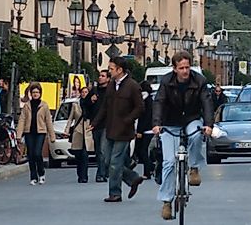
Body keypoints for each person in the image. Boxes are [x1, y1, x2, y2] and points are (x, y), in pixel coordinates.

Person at [152, 51, 214, 220]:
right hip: (169, 122)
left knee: (195, 135)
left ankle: (194, 167)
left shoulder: (199, 81)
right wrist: (156, 124)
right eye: (181, 68)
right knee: (169, 163)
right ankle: (166, 202)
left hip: (191, 118)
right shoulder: (166, 82)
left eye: (187, 67)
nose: (185, 71)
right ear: (174, 69)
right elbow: (159, 102)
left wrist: (208, 125)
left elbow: (207, 102)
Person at [90, 57, 144, 203]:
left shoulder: (133, 86)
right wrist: (95, 122)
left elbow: (140, 108)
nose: (109, 71)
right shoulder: (111, 85)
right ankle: (132, 178)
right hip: (110, 128)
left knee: (115, 161)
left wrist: (128, 120)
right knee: (106, 159)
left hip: (124, 131)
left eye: (111, 69)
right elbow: (105, 107)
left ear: (120, 70)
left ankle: (115, 193)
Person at [15, 82, 55, 185]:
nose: (35, 94)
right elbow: (22, 120)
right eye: (33, 92)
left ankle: (41, 174)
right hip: (29, 132)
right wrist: (18, 135)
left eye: (37, 92)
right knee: (31, 155)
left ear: (40, 93)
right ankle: (33, 177)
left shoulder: (44, 105)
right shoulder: (26, 106)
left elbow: (48, 121)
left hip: (40, 132)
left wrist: (52, 136)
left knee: (37, 153)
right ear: (31, 93)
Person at [65, 86, 94, 183]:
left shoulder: (91, 104)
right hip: (77, 132)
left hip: (87, 131)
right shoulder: (75, 105)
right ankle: (79, 174)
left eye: (86, 92)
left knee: (85, 155)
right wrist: (67, 129)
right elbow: (70, 118)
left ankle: (84, 176)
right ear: (80, 93)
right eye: (83, 92)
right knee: (78, 156)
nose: (84, 94)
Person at [87, 69, 111, 182]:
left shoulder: (111, 91)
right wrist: (90, 101)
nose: (100, 77)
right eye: (99, 75)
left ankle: (100, 174)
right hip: (95, 125)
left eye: (103, 76)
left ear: (108, 78)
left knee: (102, 150)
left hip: (107, 124)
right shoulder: (94, 91)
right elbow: (84, 105)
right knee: (98, 151)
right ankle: (105, 171)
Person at [135, 80, 155, 180]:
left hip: (146, 129)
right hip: (149, 128)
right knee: (142, 150)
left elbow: (144, 117)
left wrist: (139, 130)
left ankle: (148, 170)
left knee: (142, 151)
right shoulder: (149, 99)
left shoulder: (145, 100)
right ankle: (150, 167)